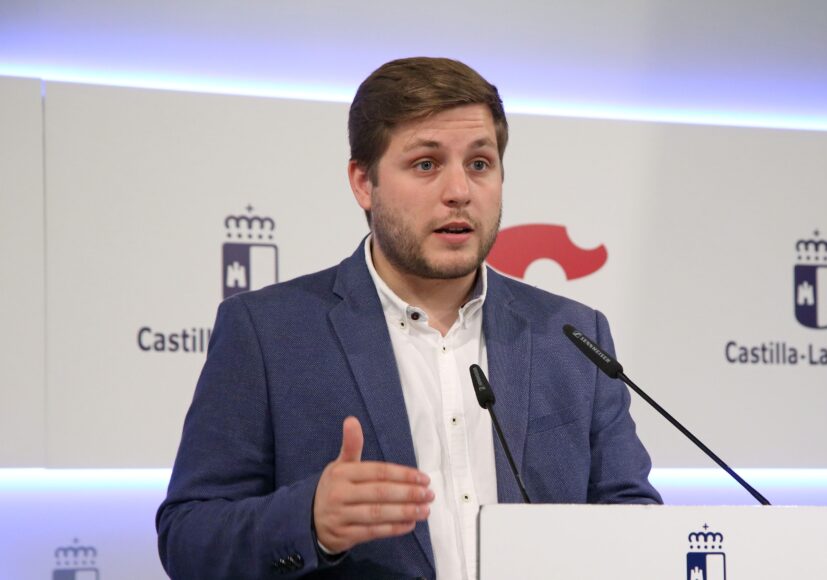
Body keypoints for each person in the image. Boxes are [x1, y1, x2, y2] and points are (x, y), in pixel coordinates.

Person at [156, 56, 660, 580]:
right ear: (363, 182)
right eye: (426, 164)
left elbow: (632, 514)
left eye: (479, 164)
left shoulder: (572, 335)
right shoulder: (268, 332)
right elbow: (188, 537)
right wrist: (310, 521)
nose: (459, 191)